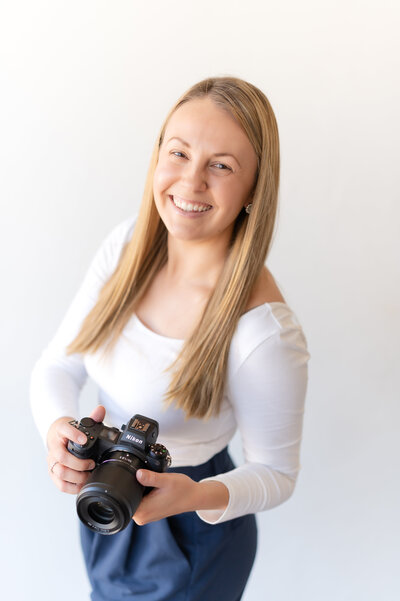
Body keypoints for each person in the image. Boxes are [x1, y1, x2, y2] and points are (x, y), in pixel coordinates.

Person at [30, 76, 310, 601]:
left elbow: (277, 472)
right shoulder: (128, 245)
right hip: (109, 494)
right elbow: (57, 366)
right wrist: (57, 433)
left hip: (190, 527)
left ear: (255, 187)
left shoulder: (263, 328)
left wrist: (195, 495)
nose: (191, 181)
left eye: (221, 165)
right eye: (178, 153)